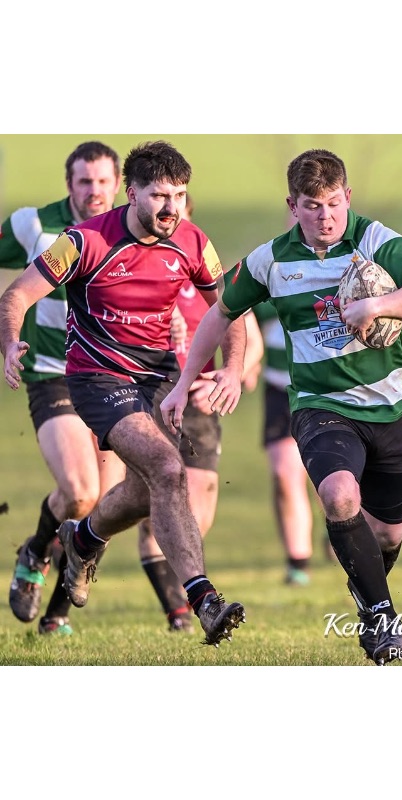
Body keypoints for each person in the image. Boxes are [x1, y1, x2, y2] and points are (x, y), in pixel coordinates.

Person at [161, 148, 402, 665]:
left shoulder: (374, 241)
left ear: (348, 197)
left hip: (389, 405)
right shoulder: (272, 260)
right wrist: (190, 380)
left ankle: (368, 596)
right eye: (312, 206)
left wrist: (376, 305)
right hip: (319, 406)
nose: (325, 216)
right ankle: (384, 621)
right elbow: (220, 312)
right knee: (339, 495)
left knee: (386, 535)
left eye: (334, 203)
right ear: (293, 206)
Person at [0, 140, 248, 647]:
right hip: (96, 379)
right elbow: (18, 294)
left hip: (158, 378)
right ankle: (203, 600)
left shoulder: (194, 241)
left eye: (179, 195)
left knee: (141, 492)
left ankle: (82, 538)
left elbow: (228, 308)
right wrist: (9, 343)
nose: (171, 207)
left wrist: (233, 368)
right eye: (159, 195)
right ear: (131, 193)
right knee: (167, 469)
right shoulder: (82, 240)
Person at [0, 141, 127, 636]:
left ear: (118, 185)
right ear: (68, 184)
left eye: (103, 181)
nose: (94, 191)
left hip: (112, 377)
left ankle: (55, 616)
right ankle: (35, 552)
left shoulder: (132, 229)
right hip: (52, 372)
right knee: (78, 493)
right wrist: (8, 338)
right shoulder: (33, 225)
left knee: (107, 505)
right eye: (84, 181)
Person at [137, 194, 263, 632]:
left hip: (200, 400)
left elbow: (250, 340)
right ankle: (178, 608)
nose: (173, 220)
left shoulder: (209, 276)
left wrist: (229, 374)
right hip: (152, 393)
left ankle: (182, 575)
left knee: (202, 497)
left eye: (182, 213)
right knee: (161, 488)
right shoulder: (137, 271)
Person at [251, 299, 321, 587]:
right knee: (285, 474)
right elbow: (242, 320)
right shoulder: (263, 279)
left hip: (325, 388)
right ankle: (298, 563)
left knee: (327, 472)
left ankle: (340, 529)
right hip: (280, 388)